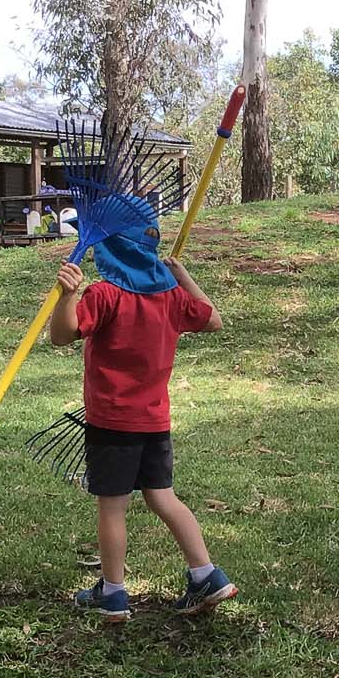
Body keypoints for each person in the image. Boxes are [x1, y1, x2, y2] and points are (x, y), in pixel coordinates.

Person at [47, 220, 236, 624]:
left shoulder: (105, 294)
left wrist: (67, 296)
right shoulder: (170, 296)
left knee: (112, 506)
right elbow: (213, 319)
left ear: (111, 250)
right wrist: (182, 277)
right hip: (154, 422)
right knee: (163, 497)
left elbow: (61, 336)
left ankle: (113, 594)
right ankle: (206, 573)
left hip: (112, 422)